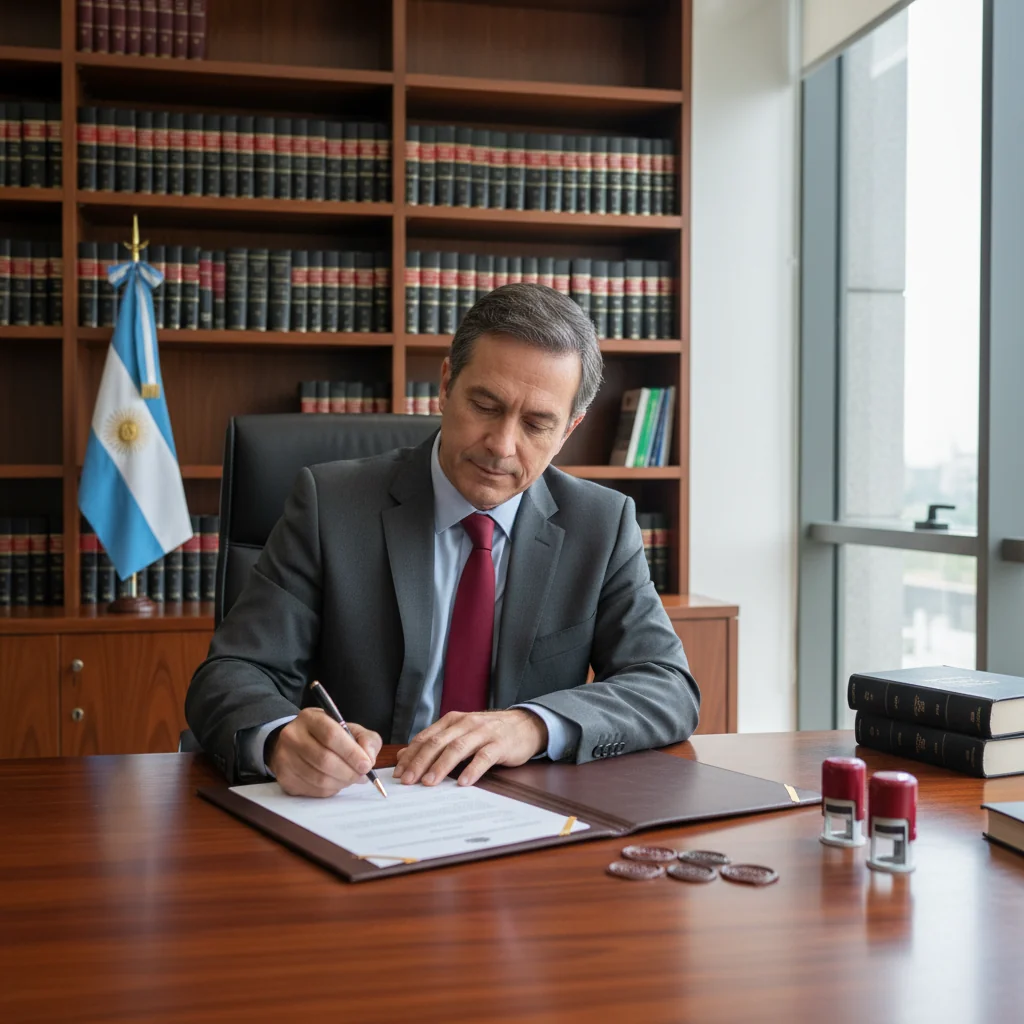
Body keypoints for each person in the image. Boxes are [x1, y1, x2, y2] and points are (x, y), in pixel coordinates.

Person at [186, 283, 699, 794]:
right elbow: (232, 673)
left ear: (569, 429)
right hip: (363, 805)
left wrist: (534, 724)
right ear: (447, 383)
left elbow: (667, 687)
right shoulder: (331, 505)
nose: (501, 446)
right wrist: (279, 740)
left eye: (537, 424)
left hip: (522, 816)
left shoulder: (601, 525)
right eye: (485, 405)